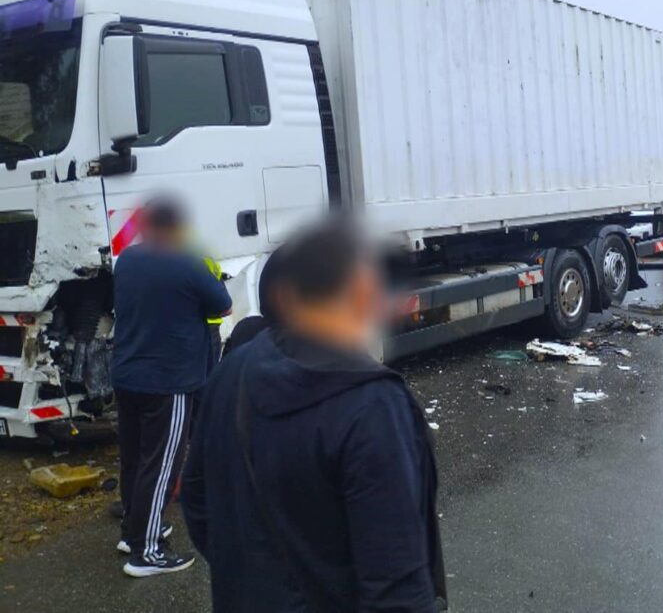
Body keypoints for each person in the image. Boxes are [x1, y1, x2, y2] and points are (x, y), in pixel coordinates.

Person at [182, 215, 446, 613]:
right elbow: (397, 587)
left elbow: (198, 501)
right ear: (362, 291)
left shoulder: (231, 372)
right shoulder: (373, 406)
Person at [112, 198, 231, 577]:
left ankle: (133, 532)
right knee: (161, 464)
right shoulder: (187, 262)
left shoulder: (127, 261)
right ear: (177, 228)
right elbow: (224, 305)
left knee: (134, 457)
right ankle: (147, 552)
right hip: (169, 379)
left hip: (128, 374)